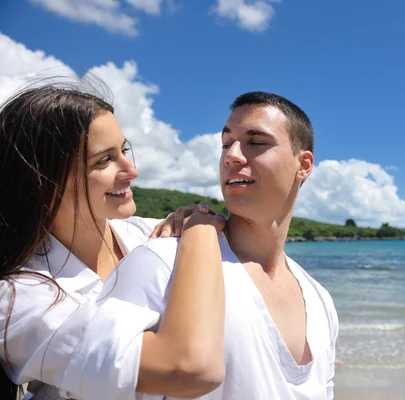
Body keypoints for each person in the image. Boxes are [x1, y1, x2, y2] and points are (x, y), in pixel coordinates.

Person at [96, 91, 340, 399]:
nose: (232, 155)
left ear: (303, 165)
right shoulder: (163, 263)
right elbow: (95, 382)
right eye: (226, 144)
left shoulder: (320, 300)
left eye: (256, 142)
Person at [0, 83, 226, 400]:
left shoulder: (148, 234)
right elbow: (187, 368)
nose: (131, 170)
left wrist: (199, 216)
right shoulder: (21, 301)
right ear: (43, 180)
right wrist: (200, 231)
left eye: (124, 150)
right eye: (104, 160)